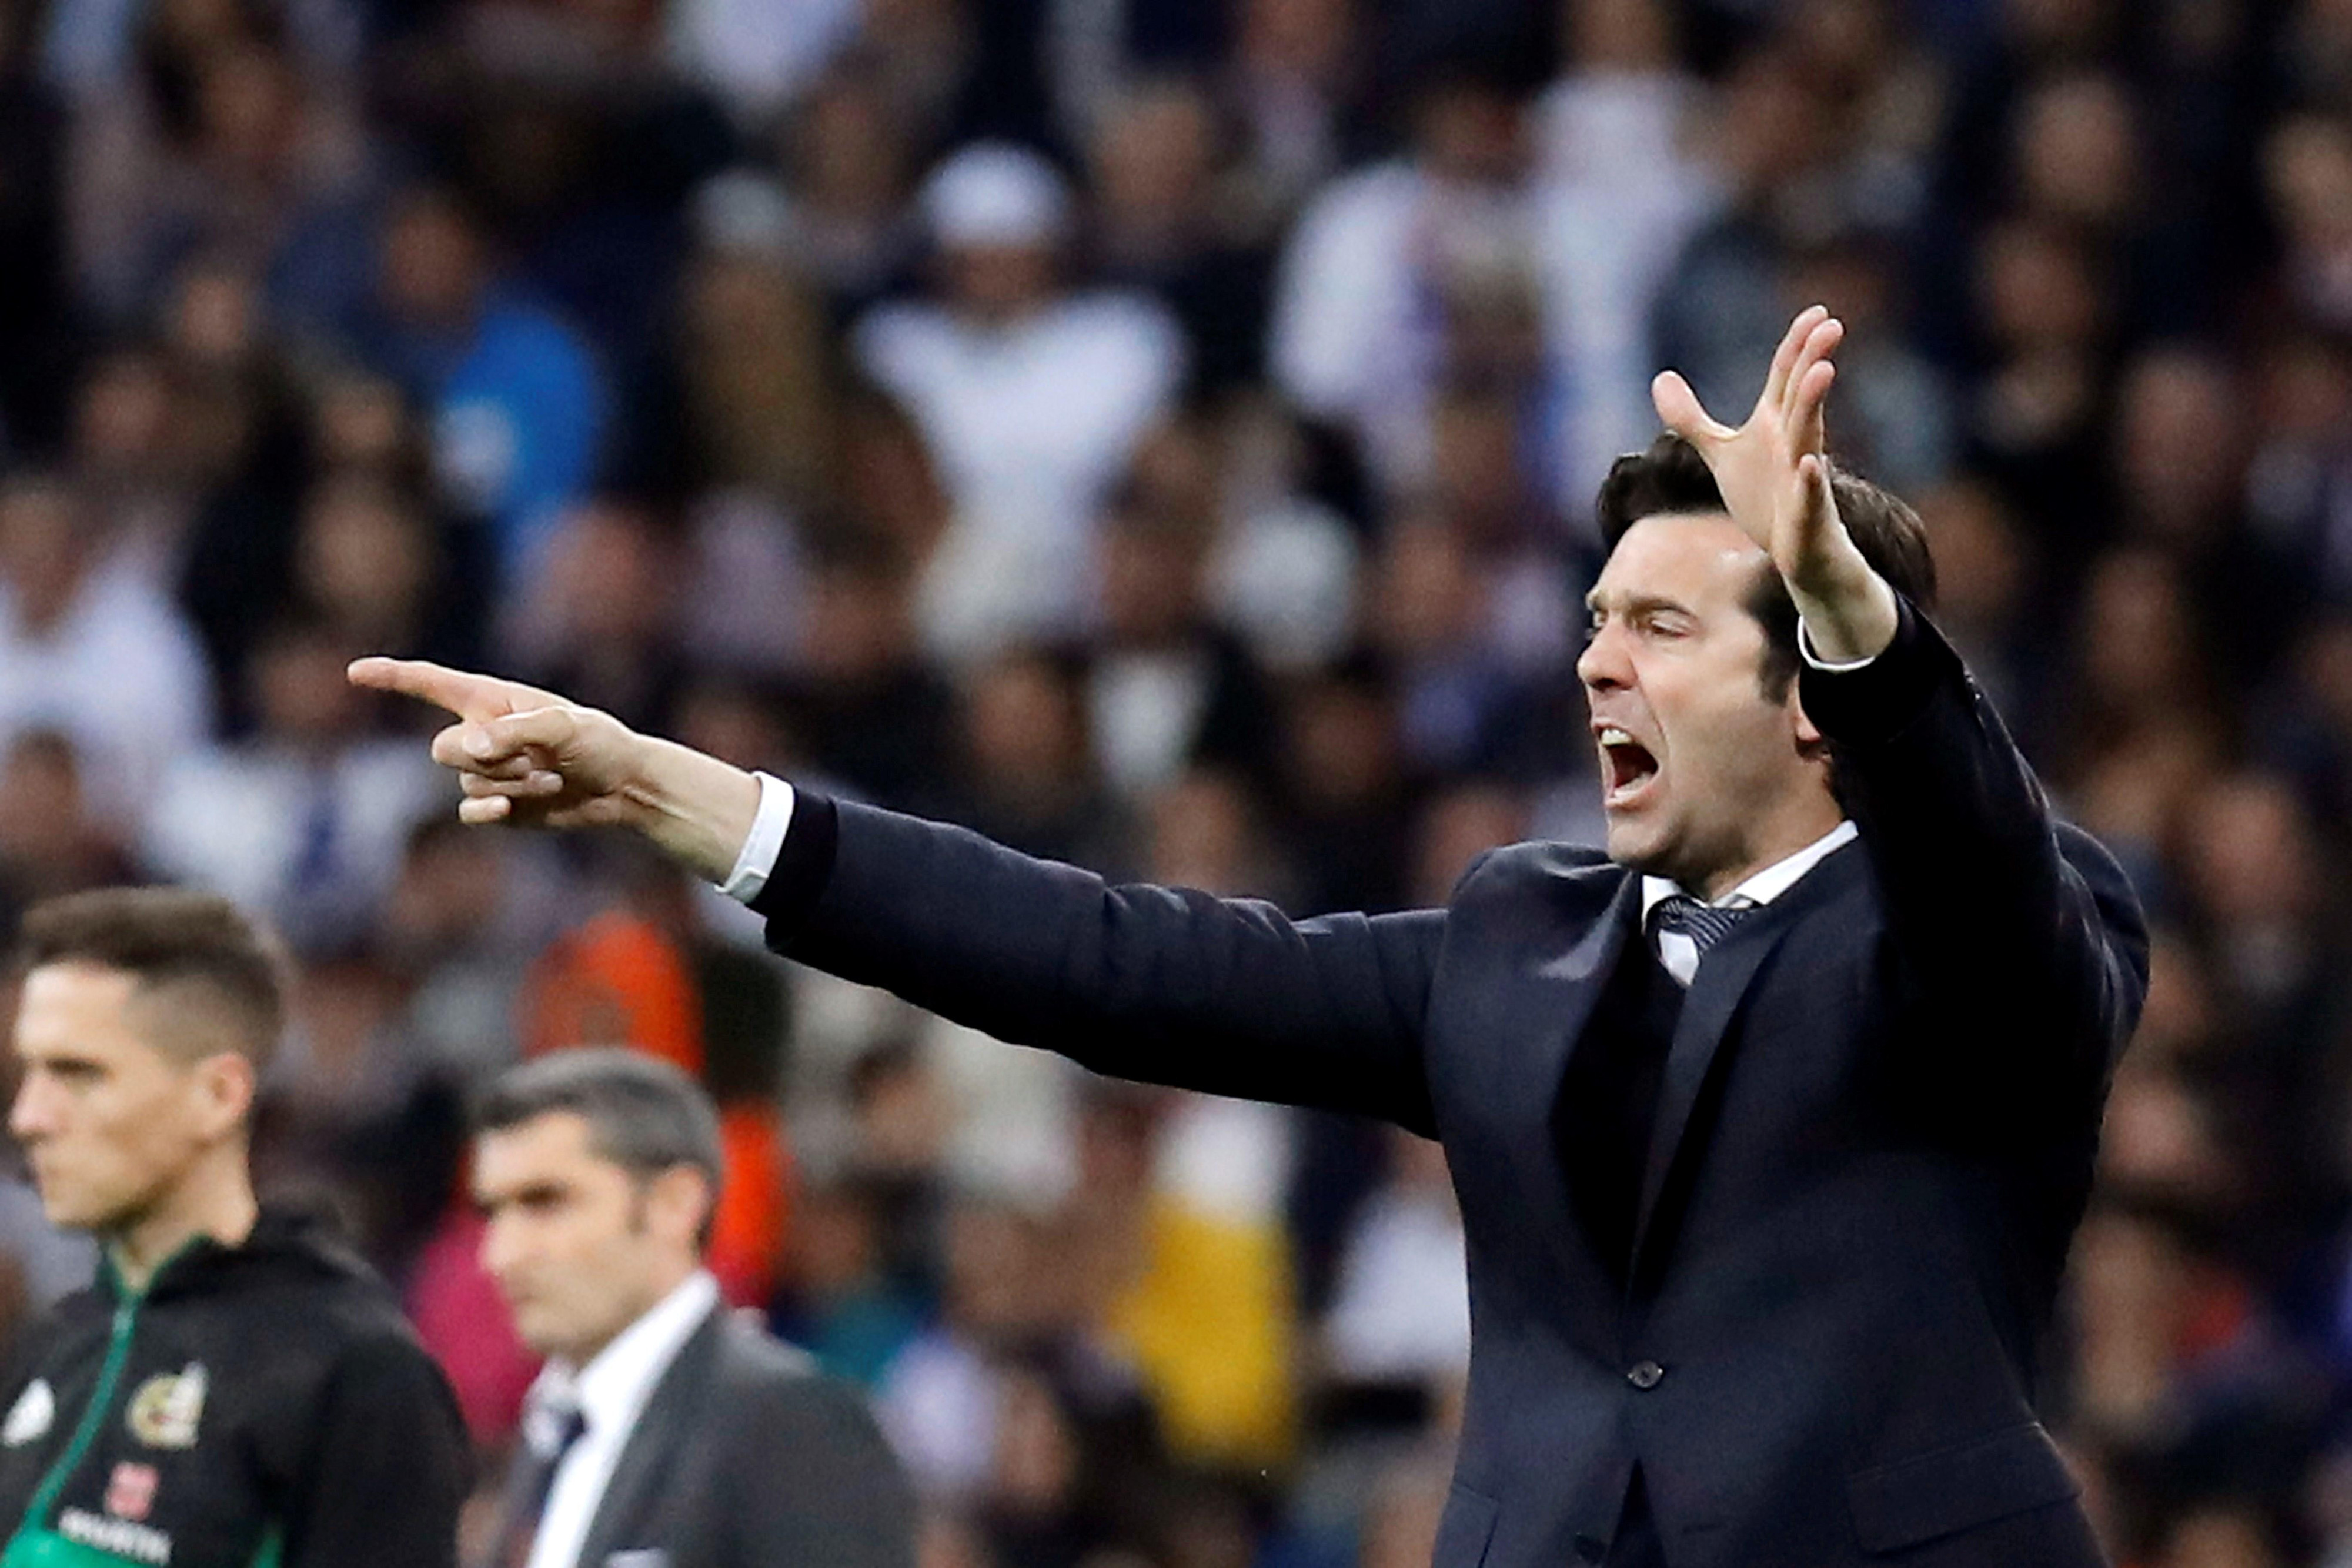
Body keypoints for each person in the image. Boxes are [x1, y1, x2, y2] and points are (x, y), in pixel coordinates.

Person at [354, 309, 2149, 1566]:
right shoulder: (1514, 939)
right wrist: (691, 799)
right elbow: (1111, 960)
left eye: (1663, 627)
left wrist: (1857, 616)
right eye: (1596, 619)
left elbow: (1983, 890)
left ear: (1815, 698)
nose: (1597, 660)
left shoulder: (1996, 931)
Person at [0, 887, 469, 1568]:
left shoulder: (355, 1372)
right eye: (27, 1072)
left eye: (78, 1073)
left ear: (218, 1096)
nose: (29, 1117)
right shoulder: (54, 1344)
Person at [467, 1047, 914, 1568]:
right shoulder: (555, 1422)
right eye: (492, 1211)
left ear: (673, 1204)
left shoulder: (787, 1422)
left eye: (546, 1201)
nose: (500, 1255)